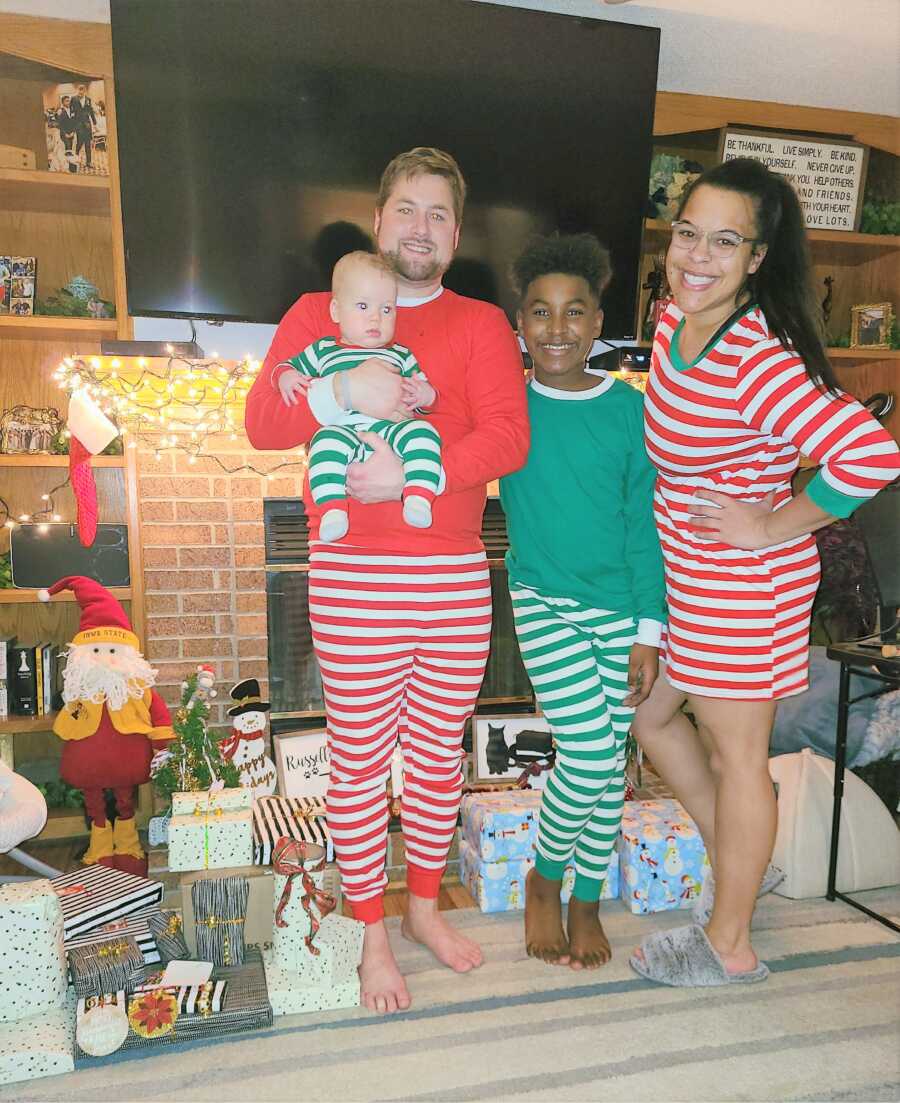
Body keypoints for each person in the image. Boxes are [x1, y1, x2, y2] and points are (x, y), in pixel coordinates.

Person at [244, 147, 529, 1014]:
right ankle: (373, 932)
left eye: (439, 213)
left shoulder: (479, 324)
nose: (421, 227)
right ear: (378, 218)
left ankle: (423, 910)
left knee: (438, 757)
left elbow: (508, 439)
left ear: (455, 232)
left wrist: (417, 475)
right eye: (406, 208)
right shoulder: (313, 313)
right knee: (363, 762)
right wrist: (345, 395)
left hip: (451, 579)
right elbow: (262, 422)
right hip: (355, 578)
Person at [630, 157, 900, 987]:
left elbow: (869, 451)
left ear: (756, 256)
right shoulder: (678, 316)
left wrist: (770, 523)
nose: (696, 254)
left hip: (743, 582)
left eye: (724, 240)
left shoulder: (756, 353)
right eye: (686, 232)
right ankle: (744, 871)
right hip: (694, 574)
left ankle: (730, 942)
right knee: (651, 720)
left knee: (740, 758)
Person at [500, 234, 665, 969]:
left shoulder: (630, 412)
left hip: (623, 612)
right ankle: (545, 879)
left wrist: (649, 630)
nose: (557, 327)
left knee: (607, 765)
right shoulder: (504, 404)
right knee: (593, 752)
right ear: (520, 322)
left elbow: (644, 526)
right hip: (543, 600)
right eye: (541, 312)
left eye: (574, 312)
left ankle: (586, 898)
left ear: (600, 321)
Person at [274, 251, 443, 541]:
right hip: (344, 431)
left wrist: (426, 396)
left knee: (424, 433)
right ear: (336, 311)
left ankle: (418, 496)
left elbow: (424, 394)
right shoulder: (324, 349)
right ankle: (333, 510)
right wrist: (286, 377)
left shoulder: (401, 354)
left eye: (387, 309)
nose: (376, 317)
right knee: (323, 445)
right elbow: (285, 366)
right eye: (363, 306)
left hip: (392, 432)